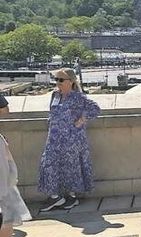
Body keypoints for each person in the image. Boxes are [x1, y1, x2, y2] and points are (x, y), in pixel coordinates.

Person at [37, 68, 101, 213]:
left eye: (61, 80)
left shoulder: (78, 97)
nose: (58, 82)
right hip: (54, 138)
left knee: (71, 166)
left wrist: (81, 120)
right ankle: (55, 196)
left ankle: (72, 197)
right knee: (48, 164)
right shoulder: (55, 95)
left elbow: (95, 109)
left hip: (72, 139)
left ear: (71, 82)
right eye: (56, 79)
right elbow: (52, 112)